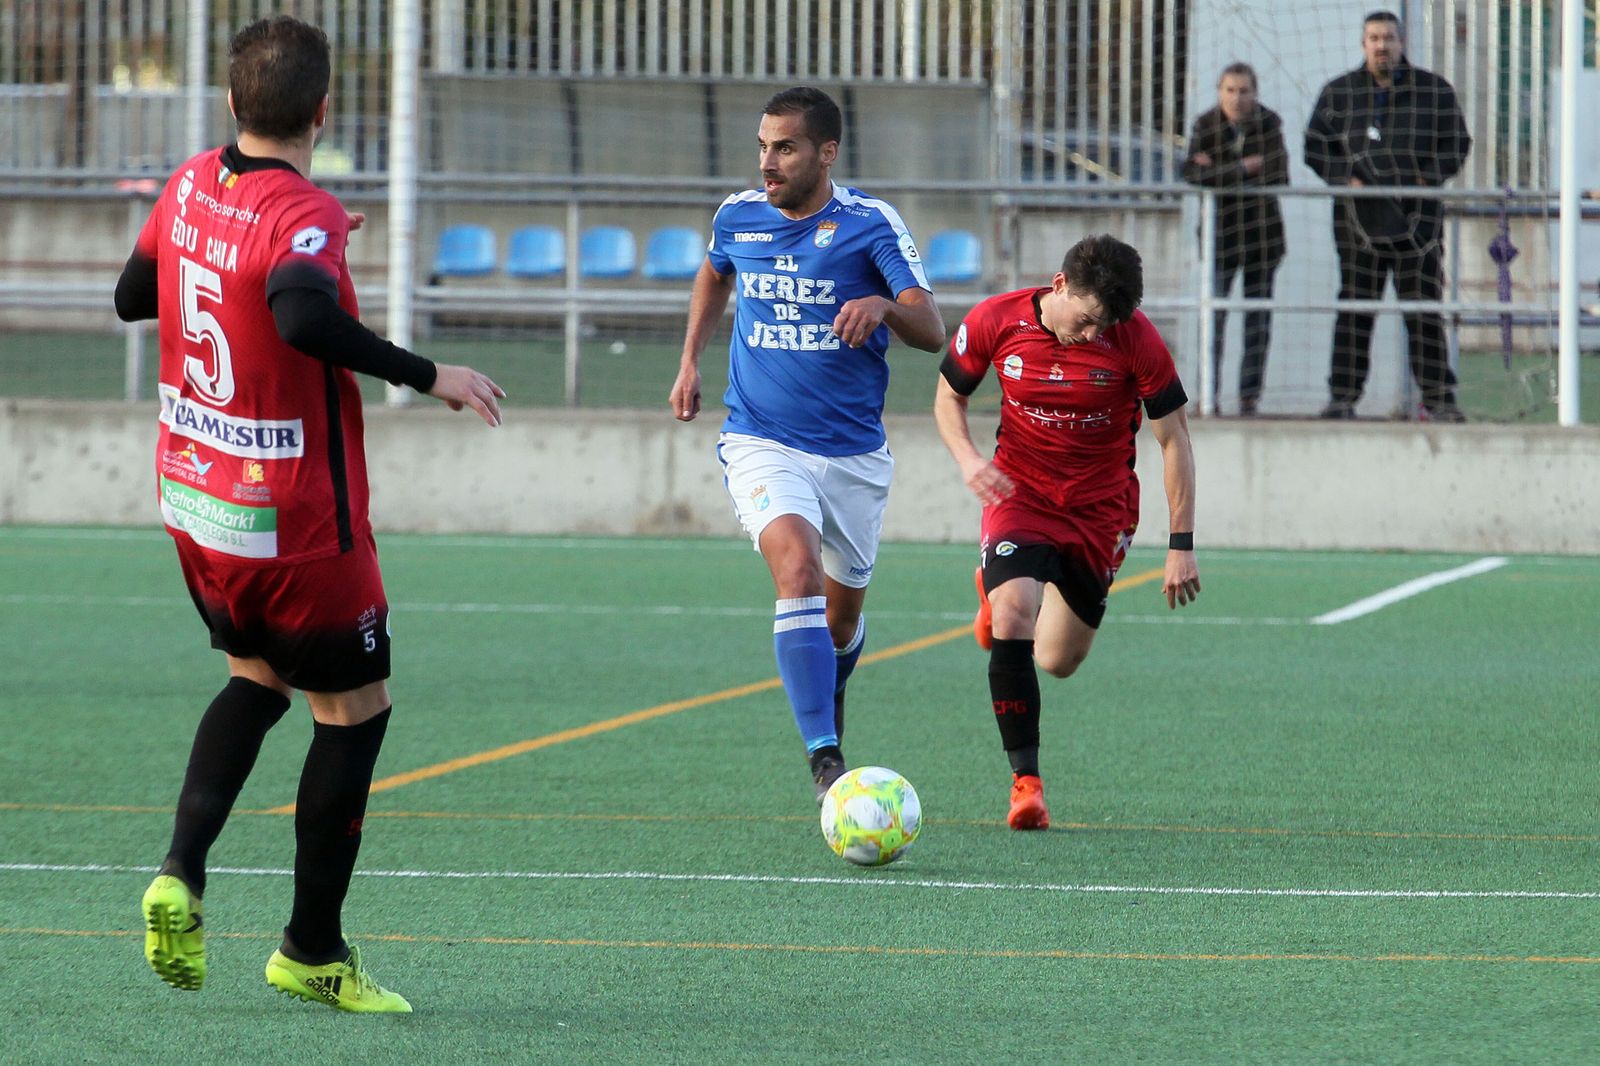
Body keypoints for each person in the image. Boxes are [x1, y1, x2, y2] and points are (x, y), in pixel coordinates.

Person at [114, 15, 504, 1012]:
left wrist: (284, 250)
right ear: (324, 112)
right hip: (290, 519)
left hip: (196, 502)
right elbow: (297, 314)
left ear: (234, 103)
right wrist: (430, 373)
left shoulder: (194, 179)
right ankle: (310, 947)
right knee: (355, 712)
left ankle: (180, 869)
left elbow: (133, 295)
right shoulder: (305, 213)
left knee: (255, 674)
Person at [668, 86, 946, 805]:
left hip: (853, 453)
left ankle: (829, 692)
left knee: (841, 619)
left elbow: (932, 328)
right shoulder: (738, 216)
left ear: (826, 152)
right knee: (796, 570)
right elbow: (713, 271)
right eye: (763, 145)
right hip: (761, 438)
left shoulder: (869, 224)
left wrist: (883, 305)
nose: (769, 161)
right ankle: (826, 760)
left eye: (785, 147)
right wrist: (690, 359)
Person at [933, 234, 1200, 830]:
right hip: (1020, 495)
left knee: (1056, 660)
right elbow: (949, 397)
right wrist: (970, 460)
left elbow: (1173, 440)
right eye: (1084, 321)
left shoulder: (1137, 341)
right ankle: (1025, 784)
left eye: (1101, 327)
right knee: (1013, 615)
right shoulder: (995, 320)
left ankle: (1001, 590)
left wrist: (1180, 545)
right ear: (1059, 286)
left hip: (1098, 511)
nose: (1089, 336)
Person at [1304, 9, 1472, 422]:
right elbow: (1314, 147)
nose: (1382, 46)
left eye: (1389, 38)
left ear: (1402, 42)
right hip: (1356, 227)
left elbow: (1457, 144)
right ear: (1364, 44)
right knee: (1356, 310)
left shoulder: (1435, 91)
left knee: (1423, 310)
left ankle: (1438, 399)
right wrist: (1346, 178)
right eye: (1375, 39)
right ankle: (1342, 397)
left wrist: (1424, 179)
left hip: (1419, 226)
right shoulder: (1338, 93)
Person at [1182, 62, 1289, 417]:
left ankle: (1248, 398)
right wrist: (1243, 169)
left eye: (1244, 91)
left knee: (1257, 321)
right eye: (1230, 90)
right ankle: (1207, 396)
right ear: (1219, 91)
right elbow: (1192, 174)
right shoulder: (1205, 125)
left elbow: (1278, 173)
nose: (1237, 98)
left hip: (1262, 236)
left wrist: (1217, 172)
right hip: (1220, 237)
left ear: (1255, 92)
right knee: (1213, 319)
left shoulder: (1270, 123)